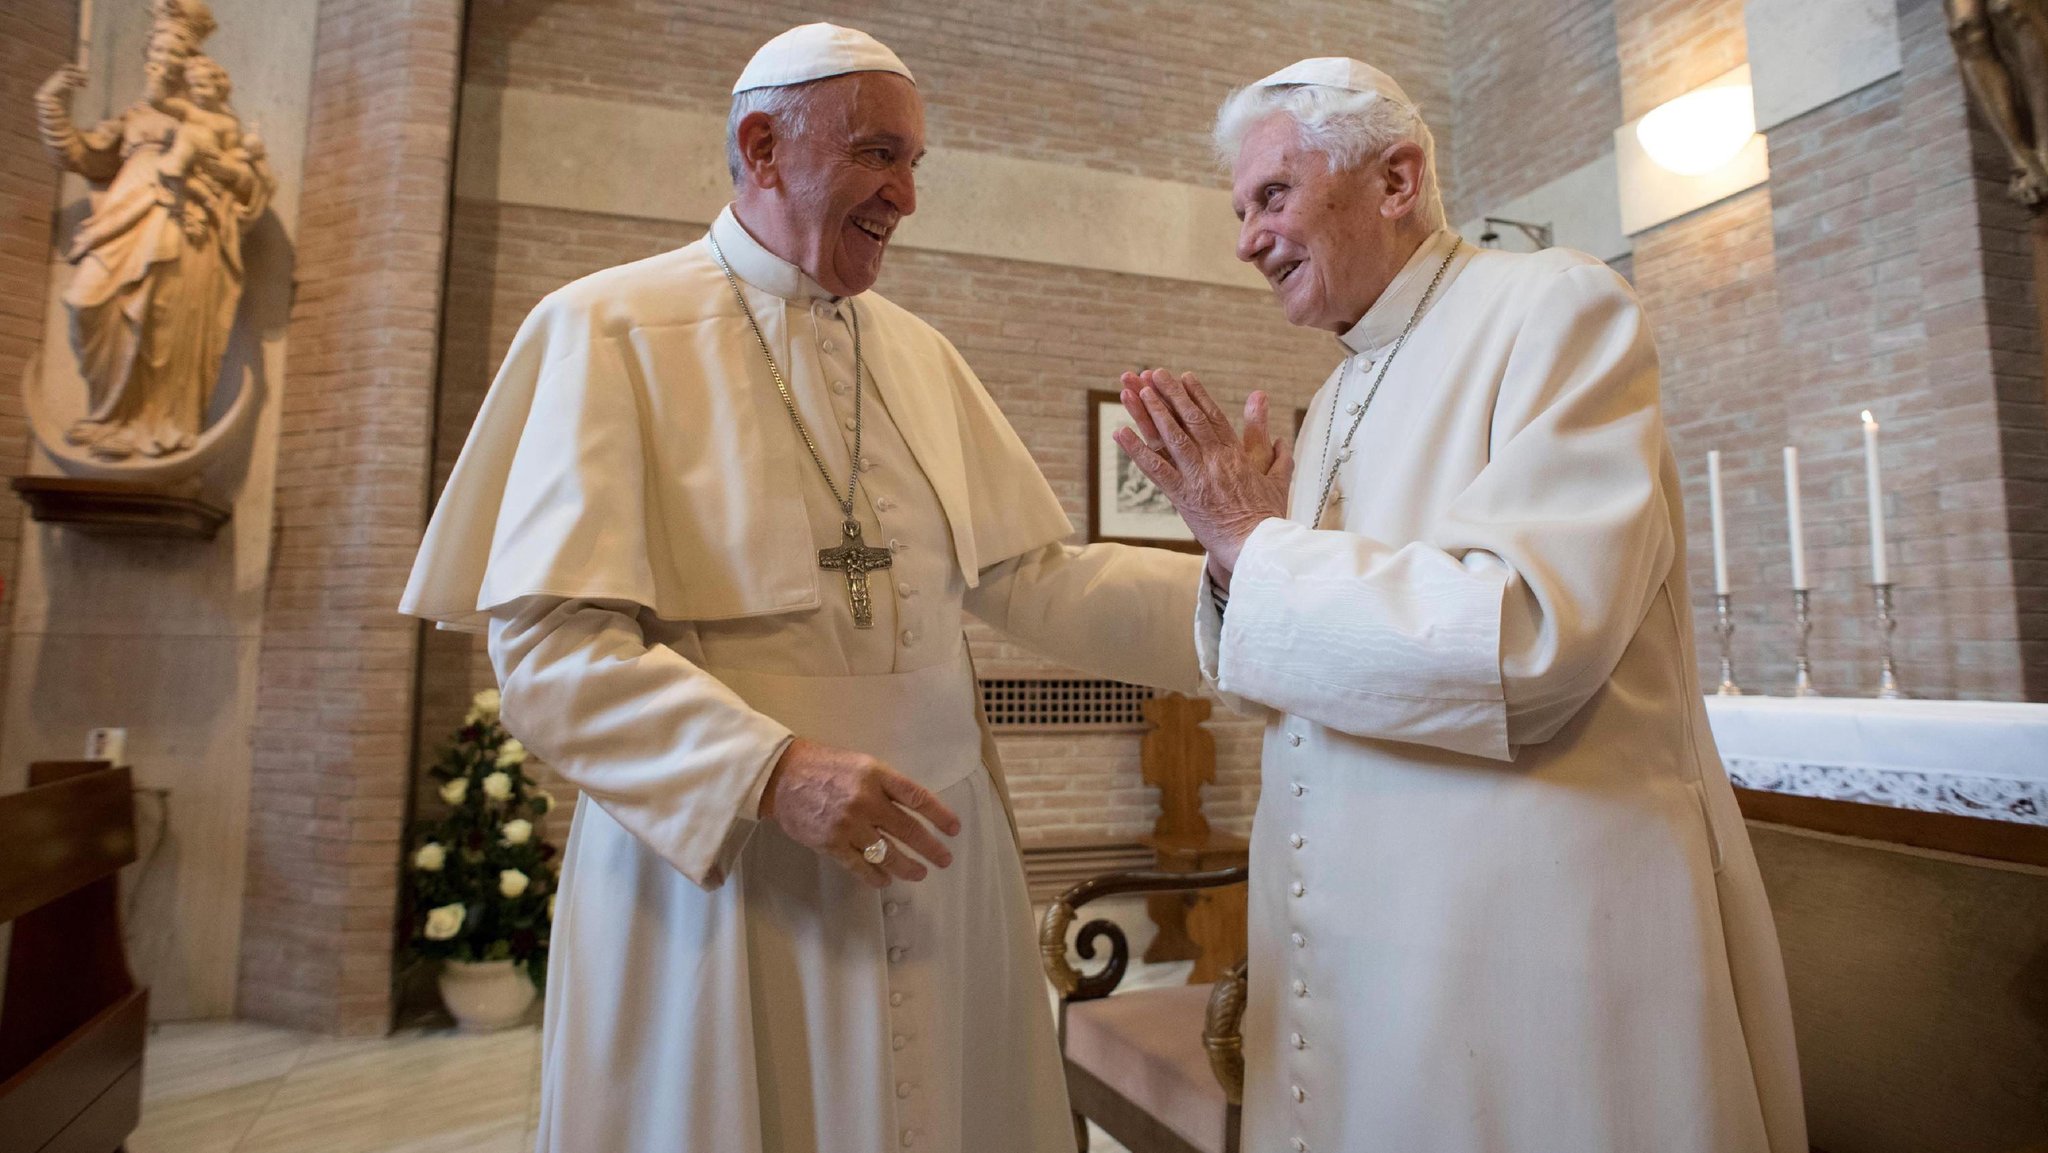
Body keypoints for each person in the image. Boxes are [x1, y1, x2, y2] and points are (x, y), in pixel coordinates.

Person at [401, 23, 1235, 1153]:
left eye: (913, 164)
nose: (906, 195)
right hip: (733, 875)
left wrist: (1240, 576)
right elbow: (551, 656)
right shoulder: (605, 329)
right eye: (878, 155)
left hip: (938, 855)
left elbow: (1032, 577)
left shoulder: (920, 354)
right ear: (761, 145)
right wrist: (770, 771)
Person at [1113, 57, 1808, 1153]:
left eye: (1272, 196)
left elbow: (1529, 633)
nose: (1246, 237)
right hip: (1371, 937)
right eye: (1239, 208)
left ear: (1394, 179)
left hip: (1526, 944)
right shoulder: (1342, 384)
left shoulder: (1553, 306)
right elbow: (1326, 661)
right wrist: (1230, 563)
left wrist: (1256, 544)